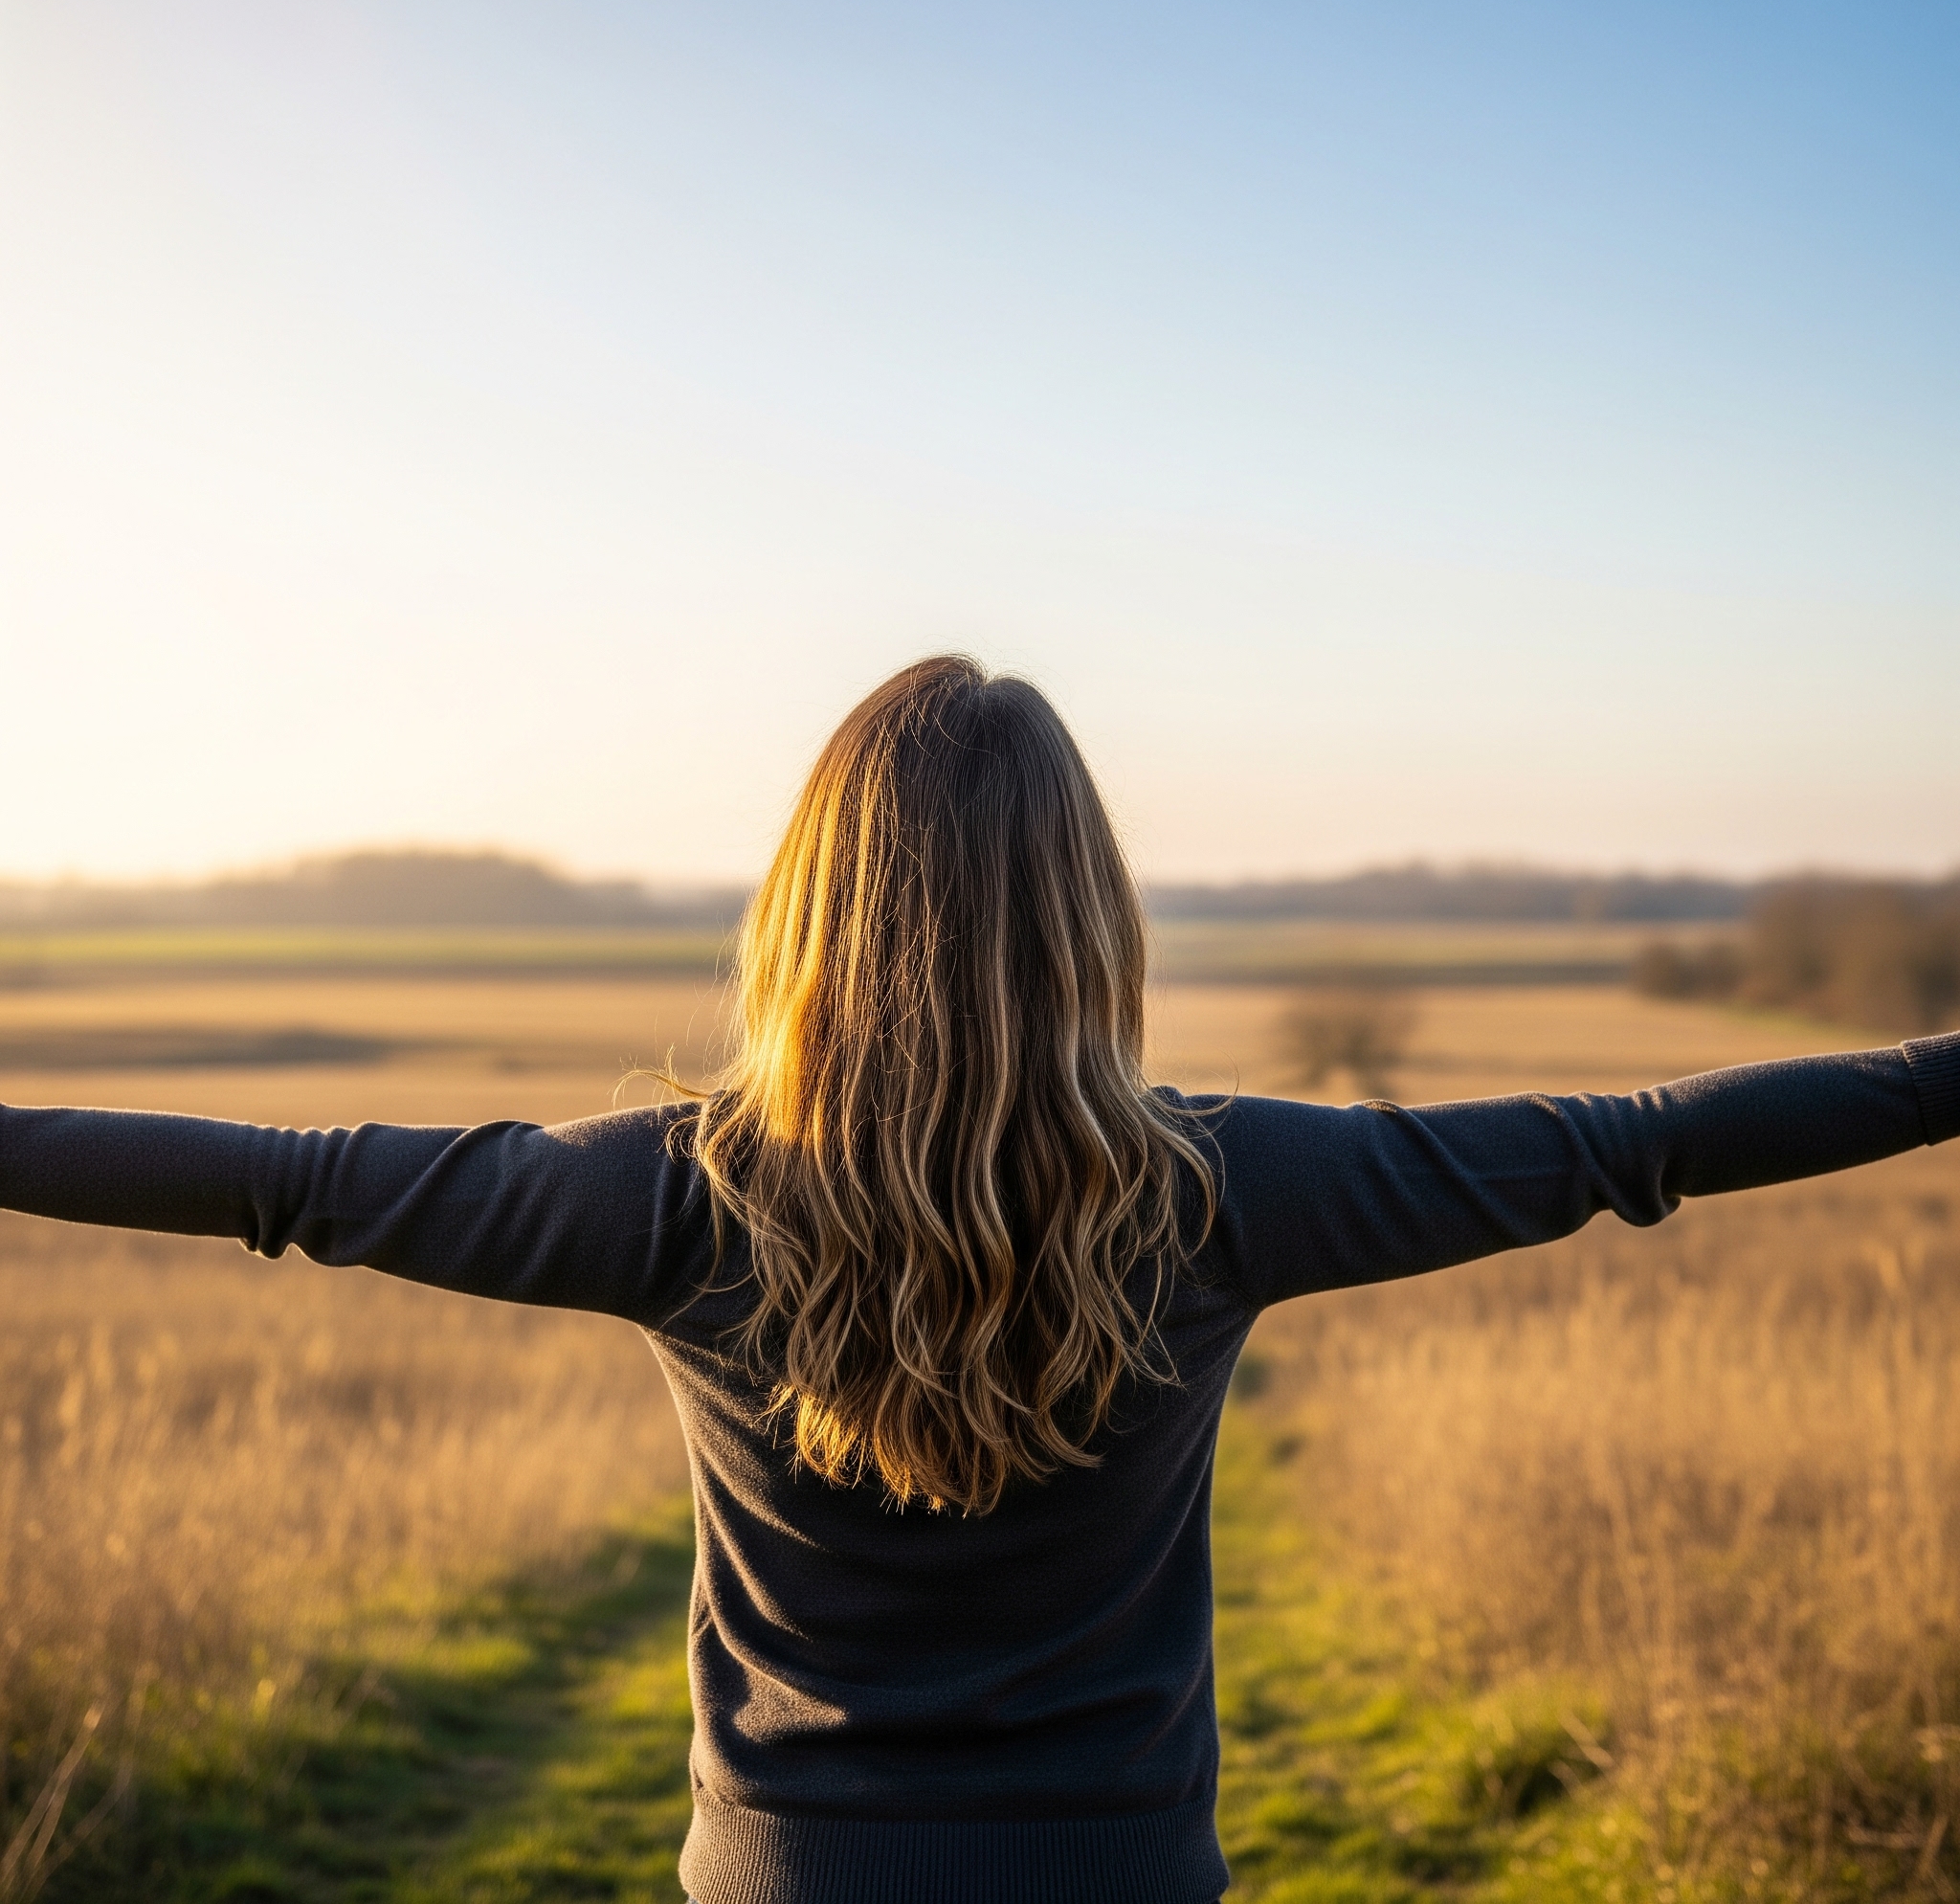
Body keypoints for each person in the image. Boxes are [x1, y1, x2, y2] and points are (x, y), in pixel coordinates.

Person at [2, 653, 1956, 1904]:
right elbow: (1637, 1148)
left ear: (806, 915)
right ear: (1086, 918)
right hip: (1116, 1874)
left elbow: (284, 1186)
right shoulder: (1218, 1187)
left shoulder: (680, 1199)